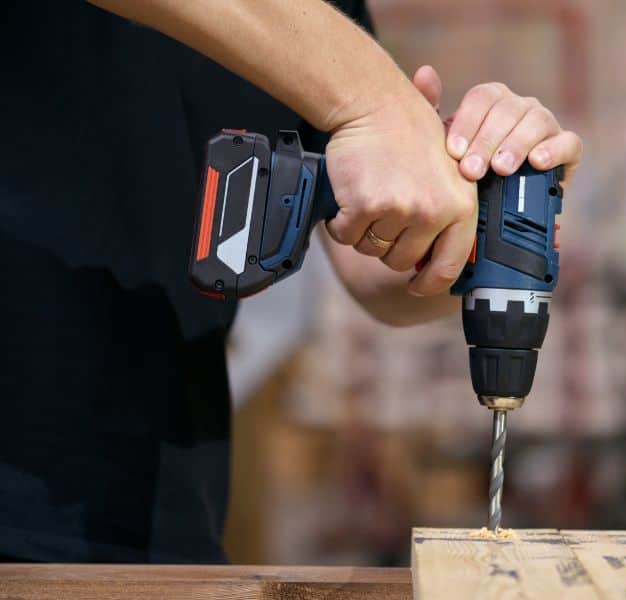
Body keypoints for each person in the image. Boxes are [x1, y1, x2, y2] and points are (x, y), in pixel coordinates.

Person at [0, 0, 582, 563]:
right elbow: (365, 106)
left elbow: (370, 265)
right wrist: (377, 100)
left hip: (160, 512)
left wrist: (467, 205)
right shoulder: (354, 72)